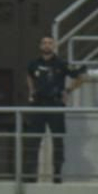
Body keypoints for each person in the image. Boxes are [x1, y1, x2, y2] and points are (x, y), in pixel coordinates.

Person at [23, 35, 86, 183]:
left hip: (55, 104)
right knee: (33, 141)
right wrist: (31, 91)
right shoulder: (34, 63)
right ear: (40, 46)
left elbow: (81, 77)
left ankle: (57, 175)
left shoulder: (61, 63)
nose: (47, 45)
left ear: (54, 46)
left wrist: (68, 91)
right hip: (38, 105)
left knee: (57, 141)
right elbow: (29, 76)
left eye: (50, 43)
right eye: (44, 43)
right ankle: (30, 176)